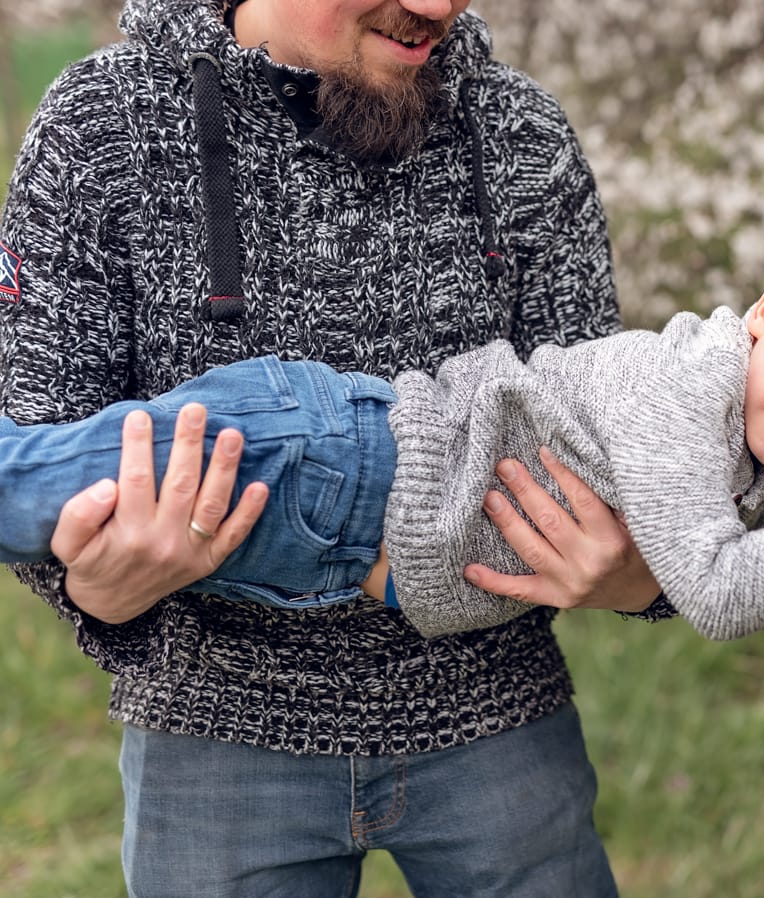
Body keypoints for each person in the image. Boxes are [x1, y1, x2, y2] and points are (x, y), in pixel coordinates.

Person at [0, 0, 666, 894]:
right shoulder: (98, 128)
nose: (437, 7)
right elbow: (36, 435)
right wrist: (94, 594)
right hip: (214, 738)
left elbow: (609, 433)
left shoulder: (521, 136)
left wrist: (638, 577)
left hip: (498, 720)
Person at [1, 223, 764, 641]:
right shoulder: (687, 390)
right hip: (334, 461)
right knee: (22, 488)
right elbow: (720, 590)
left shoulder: (760, 443)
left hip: (330, 540)